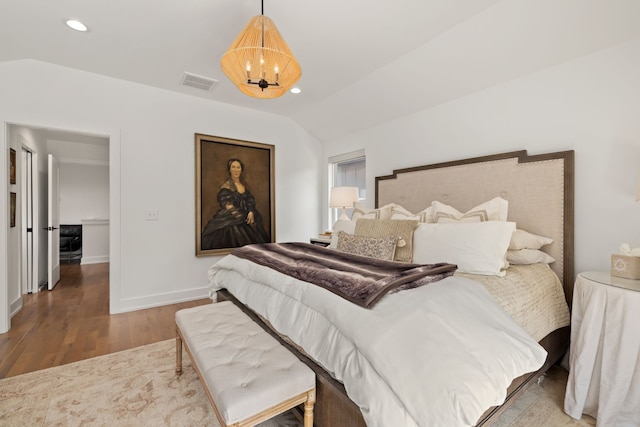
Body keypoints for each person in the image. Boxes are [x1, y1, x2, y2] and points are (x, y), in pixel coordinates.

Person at [201, 158, 270, 250]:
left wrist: (251, 212)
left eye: (238, 167)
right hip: (231, 220)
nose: (236, 170)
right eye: (233, 167)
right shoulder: (226, 187)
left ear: (241, 170)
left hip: (247, 217)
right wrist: (243, 217)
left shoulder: (244, 186)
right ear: (229, 169)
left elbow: (250, 202)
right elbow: (229, 207)